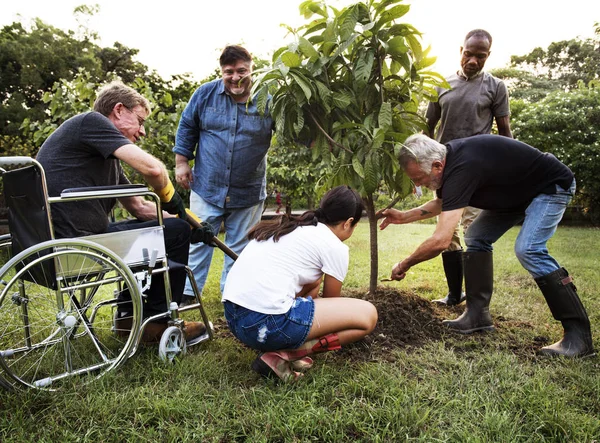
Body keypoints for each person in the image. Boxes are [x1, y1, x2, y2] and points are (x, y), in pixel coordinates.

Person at [378, 134, 594, 358]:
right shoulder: (448, 166)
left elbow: (441, 240)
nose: (417, 184)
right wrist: (403, 216)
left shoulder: (463, 166)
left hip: (549, 187)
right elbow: (442, 203)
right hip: (515, 196)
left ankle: (578, 335)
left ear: (437, 165)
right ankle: (477, 315)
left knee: (529, 249)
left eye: (418, 177)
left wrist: (404, 264)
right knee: (477, 237)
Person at [36, 81, 206, 343]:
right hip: (77, 244)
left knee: (174, 228)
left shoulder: (104, 156)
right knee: (175, 233)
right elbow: (155, 171)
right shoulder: (92, 122)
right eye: (140, 121)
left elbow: (139, 206)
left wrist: (187, 220)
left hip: (68, 242)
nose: (143, 132)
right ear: (118, 110)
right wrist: (172, 200)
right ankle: (154, 323)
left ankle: (129, 318)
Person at [222, 186, 378, 381]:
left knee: (314, 281)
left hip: (236, 320)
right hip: (267, 324)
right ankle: (286, 355)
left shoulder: (294, 227)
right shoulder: (334, 247)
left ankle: (284, 345)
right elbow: (332, 302)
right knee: (368, 315)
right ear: (348, 223)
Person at [173, 45, 274, 304]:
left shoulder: (268, 98)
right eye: (228, 72)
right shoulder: (205, 94)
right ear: (221, 72)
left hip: (248, 190)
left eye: (242, 70)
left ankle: (231, 296)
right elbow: (187, 125)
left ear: (252, 69)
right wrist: (181, 162)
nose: (235, 77)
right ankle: (187, 295)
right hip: (207, 186)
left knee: (238, 247)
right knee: (198, 241)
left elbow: (293, 127)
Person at [425, 29, 513, 307]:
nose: (473, 60)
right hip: (445, 171)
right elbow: (428, 129)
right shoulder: (441, 83)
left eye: (480, 55)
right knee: (447, 234)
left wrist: (507, 170)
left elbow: (505, 132)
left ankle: (477, 302)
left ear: (488, 56)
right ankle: (454, 294)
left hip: (478, 171)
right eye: (468, 53)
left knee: (473, 231)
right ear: (460, 50)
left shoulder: (495, 87)